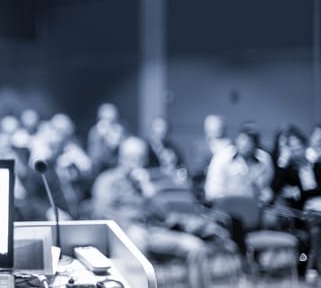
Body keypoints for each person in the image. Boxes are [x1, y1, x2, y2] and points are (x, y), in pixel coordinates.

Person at [93, 137, 224, 288]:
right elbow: (101, 213)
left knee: (196, 247)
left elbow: (164, 214)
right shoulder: (107, 180)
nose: (135, 162)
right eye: (131, 157)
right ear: (121, 158)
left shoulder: (146, 182)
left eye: (140, 158)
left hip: (154, 231)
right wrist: (127, 226)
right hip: (125, 236)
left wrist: (149, 192)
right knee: (137, 241)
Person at [204, 127, 274, 202]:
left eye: (250, 142)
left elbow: (265, 187)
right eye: (243, 140)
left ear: (256, 145)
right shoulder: (222, 158)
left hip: (253, 206)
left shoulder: (264, 159)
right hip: (225, 204)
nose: (246, 145)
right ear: (236, 141)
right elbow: (213, 189)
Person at [87, 103, 125, 177]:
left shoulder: (121, 132)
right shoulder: (95, 133)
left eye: (112, 121)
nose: (108, 125)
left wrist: (118, 145)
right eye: (105, 119)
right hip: (99, 174)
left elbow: (124, 159)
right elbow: (93, 161)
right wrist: (100, 140)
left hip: (117, 174)